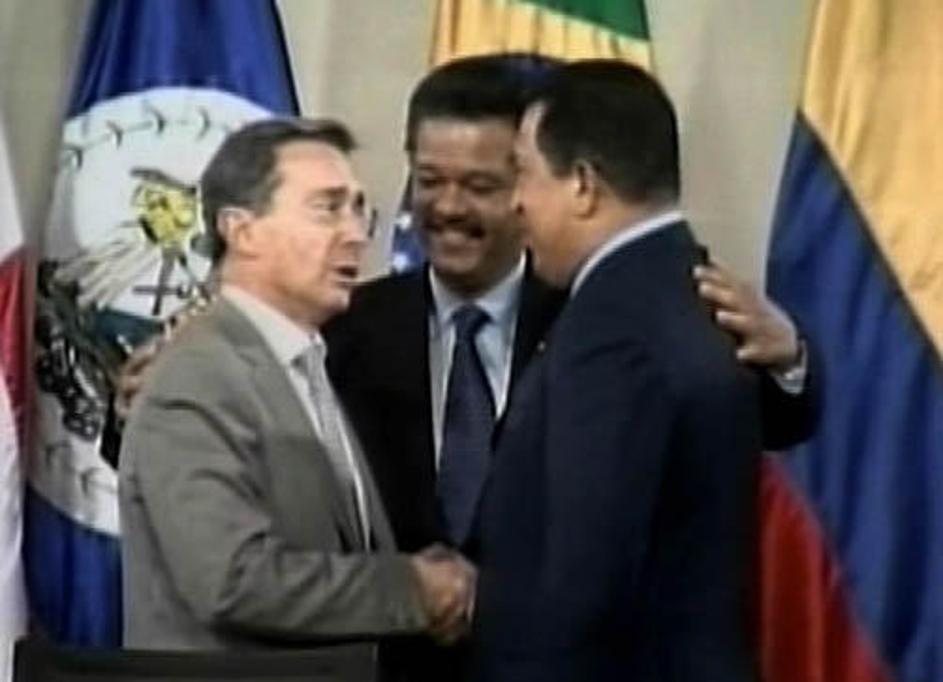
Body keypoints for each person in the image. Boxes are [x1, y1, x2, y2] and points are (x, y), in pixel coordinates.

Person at [322, 54, 814, 682]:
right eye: (429, 179)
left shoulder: (608, 311)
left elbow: (737, 418)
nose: (448, 207)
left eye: (486, 185)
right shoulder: (342, 328)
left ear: (577, 183)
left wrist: (792, 357)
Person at [118, 119, 475, 677]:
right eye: (328, 209)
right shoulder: (198, 375)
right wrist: (413, 589)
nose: (355, 234)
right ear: (242, 231)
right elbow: (232, 580)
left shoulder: (305, 363)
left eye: (359, 211)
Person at [470, 60, 769, 681]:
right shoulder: (689, 287)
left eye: (523, 172)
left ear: (583, 185)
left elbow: (588, 579)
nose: (515, 202)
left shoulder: (611, 328)